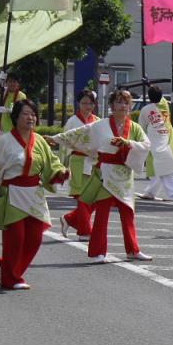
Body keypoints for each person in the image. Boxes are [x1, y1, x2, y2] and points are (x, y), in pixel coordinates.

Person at [0, 99, 68, 290]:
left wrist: (60, 172)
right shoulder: (4, 141)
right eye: (26, 113)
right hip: (12, 194)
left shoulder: (40, 141)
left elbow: (52, 163)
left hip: (34, 195)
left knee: (35, 238)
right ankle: (11, 278)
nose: (30, 117)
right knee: (15, 238)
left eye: (33, 114)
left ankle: (10, 268)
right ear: (16, 117)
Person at [53, 88, 152, 263]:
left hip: (124, 174)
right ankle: (97, 252)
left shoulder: (134, 127)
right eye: (119, 102)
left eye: (126, 102)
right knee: (102, 214)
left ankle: (133, 249)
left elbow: (145, 144)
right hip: (105, 172)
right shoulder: (101, 125)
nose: (123, 105)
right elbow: (80, 133)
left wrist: (127, 143)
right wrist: (57, 138)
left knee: (128, 213)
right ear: (112, 106)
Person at [137, 85, 173, 200]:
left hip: (155, 142)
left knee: (164, 170)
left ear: (148, 97)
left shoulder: (145, 110)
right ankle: (150, 192)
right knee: (160, 169)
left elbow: (141, 127)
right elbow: (159, 98)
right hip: (166, 139)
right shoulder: (165, 106)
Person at [59, 89, 99, 241]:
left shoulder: (98, 121)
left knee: (94, 197)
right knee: (82, 196)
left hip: (94, 162)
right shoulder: (72, 121)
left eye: (90, 103)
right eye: (84, 103)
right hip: (77, 161)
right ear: (78, 103)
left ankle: (69, 219)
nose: (87, 106)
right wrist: (63, 165)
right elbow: (65, 143)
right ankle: (84, 231)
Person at [0, 72, 26, 137]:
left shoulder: (21, 95)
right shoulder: (4, 92)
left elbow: (19, 111)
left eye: (14, 82)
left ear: (18, 84)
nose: (12, 84)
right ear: (6, 83)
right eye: (10, 81)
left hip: (15, 129)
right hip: (2, 129)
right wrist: (0, 80)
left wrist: (6, 110)